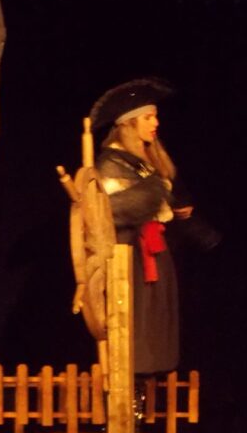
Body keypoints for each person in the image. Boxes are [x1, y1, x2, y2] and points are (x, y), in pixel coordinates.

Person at [90, 77, 220, 379]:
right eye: (148, 117)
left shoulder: (145, 162)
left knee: (156, 325)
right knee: (135, 324)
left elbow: (166, 202)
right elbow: (114, 209)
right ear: (129, 123)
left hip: (155, 254)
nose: (156, 123)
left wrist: (192, 223)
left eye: (155, 116)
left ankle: (145, 386)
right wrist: (158, 191)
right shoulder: (111, 162)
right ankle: (131, 387)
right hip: (129, 257)